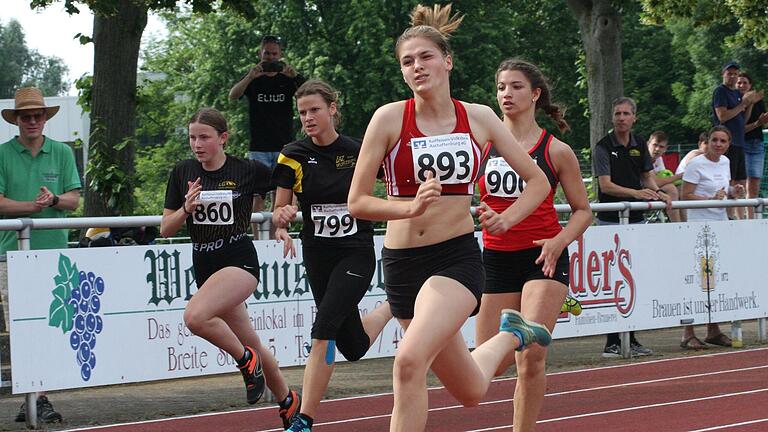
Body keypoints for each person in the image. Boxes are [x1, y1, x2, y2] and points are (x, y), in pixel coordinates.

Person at [347, 5, 553, 431]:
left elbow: (537, 182)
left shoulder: (478, 117)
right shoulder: (388, 118)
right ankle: (514, 333)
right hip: (402, 264)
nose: (417, 67)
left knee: (407, 361)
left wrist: (506, 218)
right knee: (472, 390)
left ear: (447, 61)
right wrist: (409, 207)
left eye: (425, 56)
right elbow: (357, 202)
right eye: (407, 61)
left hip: (453, 261)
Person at [160, 108, 300, 427]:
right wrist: (186, 209)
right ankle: (290, 404)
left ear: (223, 138)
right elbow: (165, 229)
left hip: (239, 260)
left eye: (205, 137)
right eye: (193, 137)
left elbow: (288, 179)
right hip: (205, 266)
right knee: (252, 341)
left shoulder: (247, 170)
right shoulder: (183, 172)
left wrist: (284, 213)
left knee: (195, 317)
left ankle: (245, 362)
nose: (197, 144)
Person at [474, 59, 592, 432]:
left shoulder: (555, 150)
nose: (506, 94)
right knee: (487, 361)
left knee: (531, 357)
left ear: (535, 94)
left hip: (542, 255)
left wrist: (559, 241)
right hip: (496, 257)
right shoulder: (481, 146)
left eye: (516, 86)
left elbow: (582, 211)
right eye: (500, 87)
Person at [271, 80, 393, 432]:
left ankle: (304, 419)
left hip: (355, 252)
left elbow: (394, 186)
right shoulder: (292, 153)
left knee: (323, 331)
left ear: (332, 109)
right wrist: (281, 220)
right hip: (317, 253)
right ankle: (391, 307)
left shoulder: (359, 150)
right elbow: (281, 207)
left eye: (314, 110)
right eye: (302, 113)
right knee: (352, 345)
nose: (308, 118)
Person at [0, 87, 82, 424]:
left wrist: (54, 201)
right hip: (10, 254)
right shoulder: (2, 153)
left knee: (51, 327)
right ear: (17, 120)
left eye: (37, 115)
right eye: (26, 116)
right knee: (20, 328)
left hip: (53, 252)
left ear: (45, 119)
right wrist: (33, 208)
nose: (32, 120)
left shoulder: (62, 152)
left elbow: (74, 200)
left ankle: (38, 397)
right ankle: (35, 398)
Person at [594, 96, 670, 357]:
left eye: (626, 114)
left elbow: (647, 176)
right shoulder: (603, 146)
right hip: (610, 220)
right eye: (617, 113)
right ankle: (612, 341)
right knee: (615, 279)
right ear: (612, 117)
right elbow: (605, 185)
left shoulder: (639, 144)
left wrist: (659, 193)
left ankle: (631, 337)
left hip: (635, 220)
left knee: (633, 279)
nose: (621, 118)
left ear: (634, 118)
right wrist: (636, 194)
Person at [228, 35, 305, 238]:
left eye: (274, 54)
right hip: (259, 146)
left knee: (280, 194)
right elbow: (233, 95)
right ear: (260, 54)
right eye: (266, 54)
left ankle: (275, 236)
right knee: (257, 194)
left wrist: (293, 76)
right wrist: (250, 76)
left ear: (280, 55)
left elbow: (308, 94)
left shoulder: (287, 80)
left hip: (283, 145)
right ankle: (257, 237)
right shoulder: (254, 80)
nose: (270, 58)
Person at [680, 125, 744, 349]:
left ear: (728, 144)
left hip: (720, 226)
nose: (718, 144)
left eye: (723, 141)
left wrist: (733, 192)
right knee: (697, 280)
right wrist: (709, 197)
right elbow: (684, 195)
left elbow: (723, 189)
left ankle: (713, 329)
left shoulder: (725, 162)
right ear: (707, 141)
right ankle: (688, 332)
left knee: (715, 282)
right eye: (715, 140)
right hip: (699, 227)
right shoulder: (696, 164)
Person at [711, 61, 762, 219]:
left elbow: (742, 120)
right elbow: (722, 116)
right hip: (728, 143)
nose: (732, 76)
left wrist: (750, 104)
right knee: (730, 180)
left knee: (740, 183)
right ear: (723, 74)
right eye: (729, 73)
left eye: (735, 73)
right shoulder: (720, 91)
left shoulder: (737, 94)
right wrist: (743, 104)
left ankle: (740, 218)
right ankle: (729, 216)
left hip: (740, 142)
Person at [737, 72, 768, 219]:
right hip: (741, 145)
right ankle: (742, 218)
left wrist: (763, 121)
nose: (742, 85)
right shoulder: (735, 101)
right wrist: (757, 123)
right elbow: (741, 128)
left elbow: (763, 122)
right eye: (739, 82)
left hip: (757, 144)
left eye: (745, 83)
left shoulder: (758, 101)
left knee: (754, 183)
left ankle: (753, 218)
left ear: (750, 86)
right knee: (741, 184)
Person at [647, 131, 682, 222]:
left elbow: (661, 179)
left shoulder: (659, 158)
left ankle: (685, 223)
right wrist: (679, 176)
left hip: (651, 188)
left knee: (681, 188)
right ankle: (677, 225)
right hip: (637, 189)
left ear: (665, 149)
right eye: (655, 145)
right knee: (671, 189)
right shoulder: (644, 157)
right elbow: (656, 182)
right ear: (648, 144)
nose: (657, 149)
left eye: (661, 147)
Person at [675, 132, 710, 222]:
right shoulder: (695, 154)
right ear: (699, 144)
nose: (708, 146)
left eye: (710, 143)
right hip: (681, 183)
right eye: (706, 143)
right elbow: (689, 173)